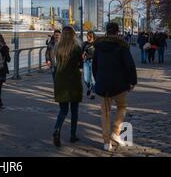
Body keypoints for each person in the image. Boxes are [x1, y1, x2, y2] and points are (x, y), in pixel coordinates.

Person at [92, 22, 137, 152]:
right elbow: (129, 65)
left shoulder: (99, 47)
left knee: (105, 113)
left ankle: (106, 143)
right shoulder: (122, 46)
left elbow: (95, 67)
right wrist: (132, 81)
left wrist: (98, 80)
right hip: (119, 85)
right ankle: (116, 132)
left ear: (106, 31)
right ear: (117, 32)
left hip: (103, 85)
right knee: (122, 107)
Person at [52, 26, 83, 147]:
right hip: (73, 80)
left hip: (60, 80)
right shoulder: (76, 47)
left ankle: (56, 129)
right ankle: (72, 135)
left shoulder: (57, 47)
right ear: (73, 35)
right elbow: (79, 63)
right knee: (74, 111)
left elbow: (56, 62)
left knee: (63, 110)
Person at [82, 31, 96, 100]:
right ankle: (90, 87)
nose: (87, 37)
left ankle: (93, 93)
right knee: (86, 79)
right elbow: (82, 52)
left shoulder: (96, 44)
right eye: (87, 36)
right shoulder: (85, 44)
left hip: (94, 63)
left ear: (92, 36)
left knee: (93, 79)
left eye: (88, 36)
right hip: (86, 62)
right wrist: (82, 55)